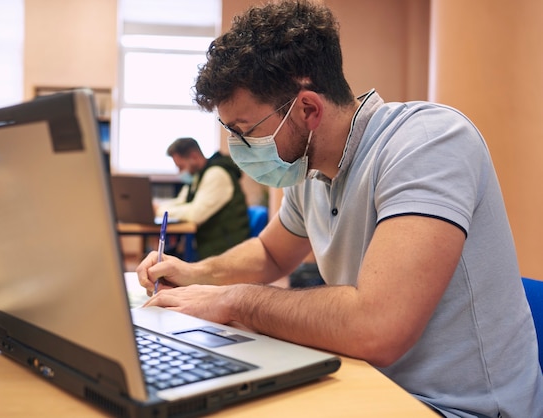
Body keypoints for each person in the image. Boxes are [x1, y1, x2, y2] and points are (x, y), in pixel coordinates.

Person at [137, 1, 543, 417]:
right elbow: (271, 253)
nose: (237, 147)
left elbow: (378, 327)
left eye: (245, 131)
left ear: (308, 109)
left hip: (458, 407)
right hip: (370, 382)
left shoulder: (427, 141)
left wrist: (236, 301)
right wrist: (193, 275)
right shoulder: (307, 171)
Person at [156, 137, 250, 259]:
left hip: (224, 250)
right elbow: (181, 202)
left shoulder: (216, 174)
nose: (179, 172)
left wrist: (160, 210)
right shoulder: (198, 177)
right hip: (209, 245)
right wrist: (158, 206)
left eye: (181, 166)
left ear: (194, 157)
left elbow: (195, 215)